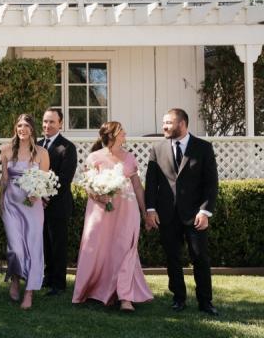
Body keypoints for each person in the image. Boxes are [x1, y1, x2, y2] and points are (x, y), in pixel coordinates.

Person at [144, 108, 219, 316]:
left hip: (195, 215)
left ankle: (206, 302)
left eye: (168, 122)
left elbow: (211, 184)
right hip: (167, 215)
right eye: (163, 122)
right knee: (172, 258)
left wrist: (205, 212)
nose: (164, 127)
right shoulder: (157, 149)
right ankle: (178, 298)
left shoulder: (203, 148)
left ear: (182, 124)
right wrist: (150, 209)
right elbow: (151, 183)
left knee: (200, 258)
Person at [72, 121, 153, 311]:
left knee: (125, 250)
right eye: (122, 131)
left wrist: (145, 212)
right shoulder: (94, 157)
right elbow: (87, 184)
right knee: (97, 249)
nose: (125, 134)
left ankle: (125, 297)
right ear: (112, 135)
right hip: (100, 211)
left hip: (127, 210)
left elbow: (138, 188)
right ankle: (92, 290)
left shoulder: (130, 158)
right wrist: (99, 196)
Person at [0, 114, 49, 310]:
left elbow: (45, 180)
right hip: (11, 204)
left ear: (33, 129)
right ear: (15, 128)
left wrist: (38, 193)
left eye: (26, 125)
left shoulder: (42, 153)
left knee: (34, 246)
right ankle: (15, 279)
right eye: (19, 125)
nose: (22, 129)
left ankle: (29, 291)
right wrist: (1, 201)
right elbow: (4, 180)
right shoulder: (5, 150)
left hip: (32, 206)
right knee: (16, 247)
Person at [37, 108, 77, 296]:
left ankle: (59, 283)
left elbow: (64, 178)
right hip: (37, 204)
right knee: (44, 242)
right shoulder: (36, 145)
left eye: (52, 122)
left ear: (60, 124)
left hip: (58, 204)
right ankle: (47, 276)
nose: (47, 125)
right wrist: (37, 194)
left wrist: (46, 196)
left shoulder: (67, 147)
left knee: (57, 243)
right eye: (45, 121)